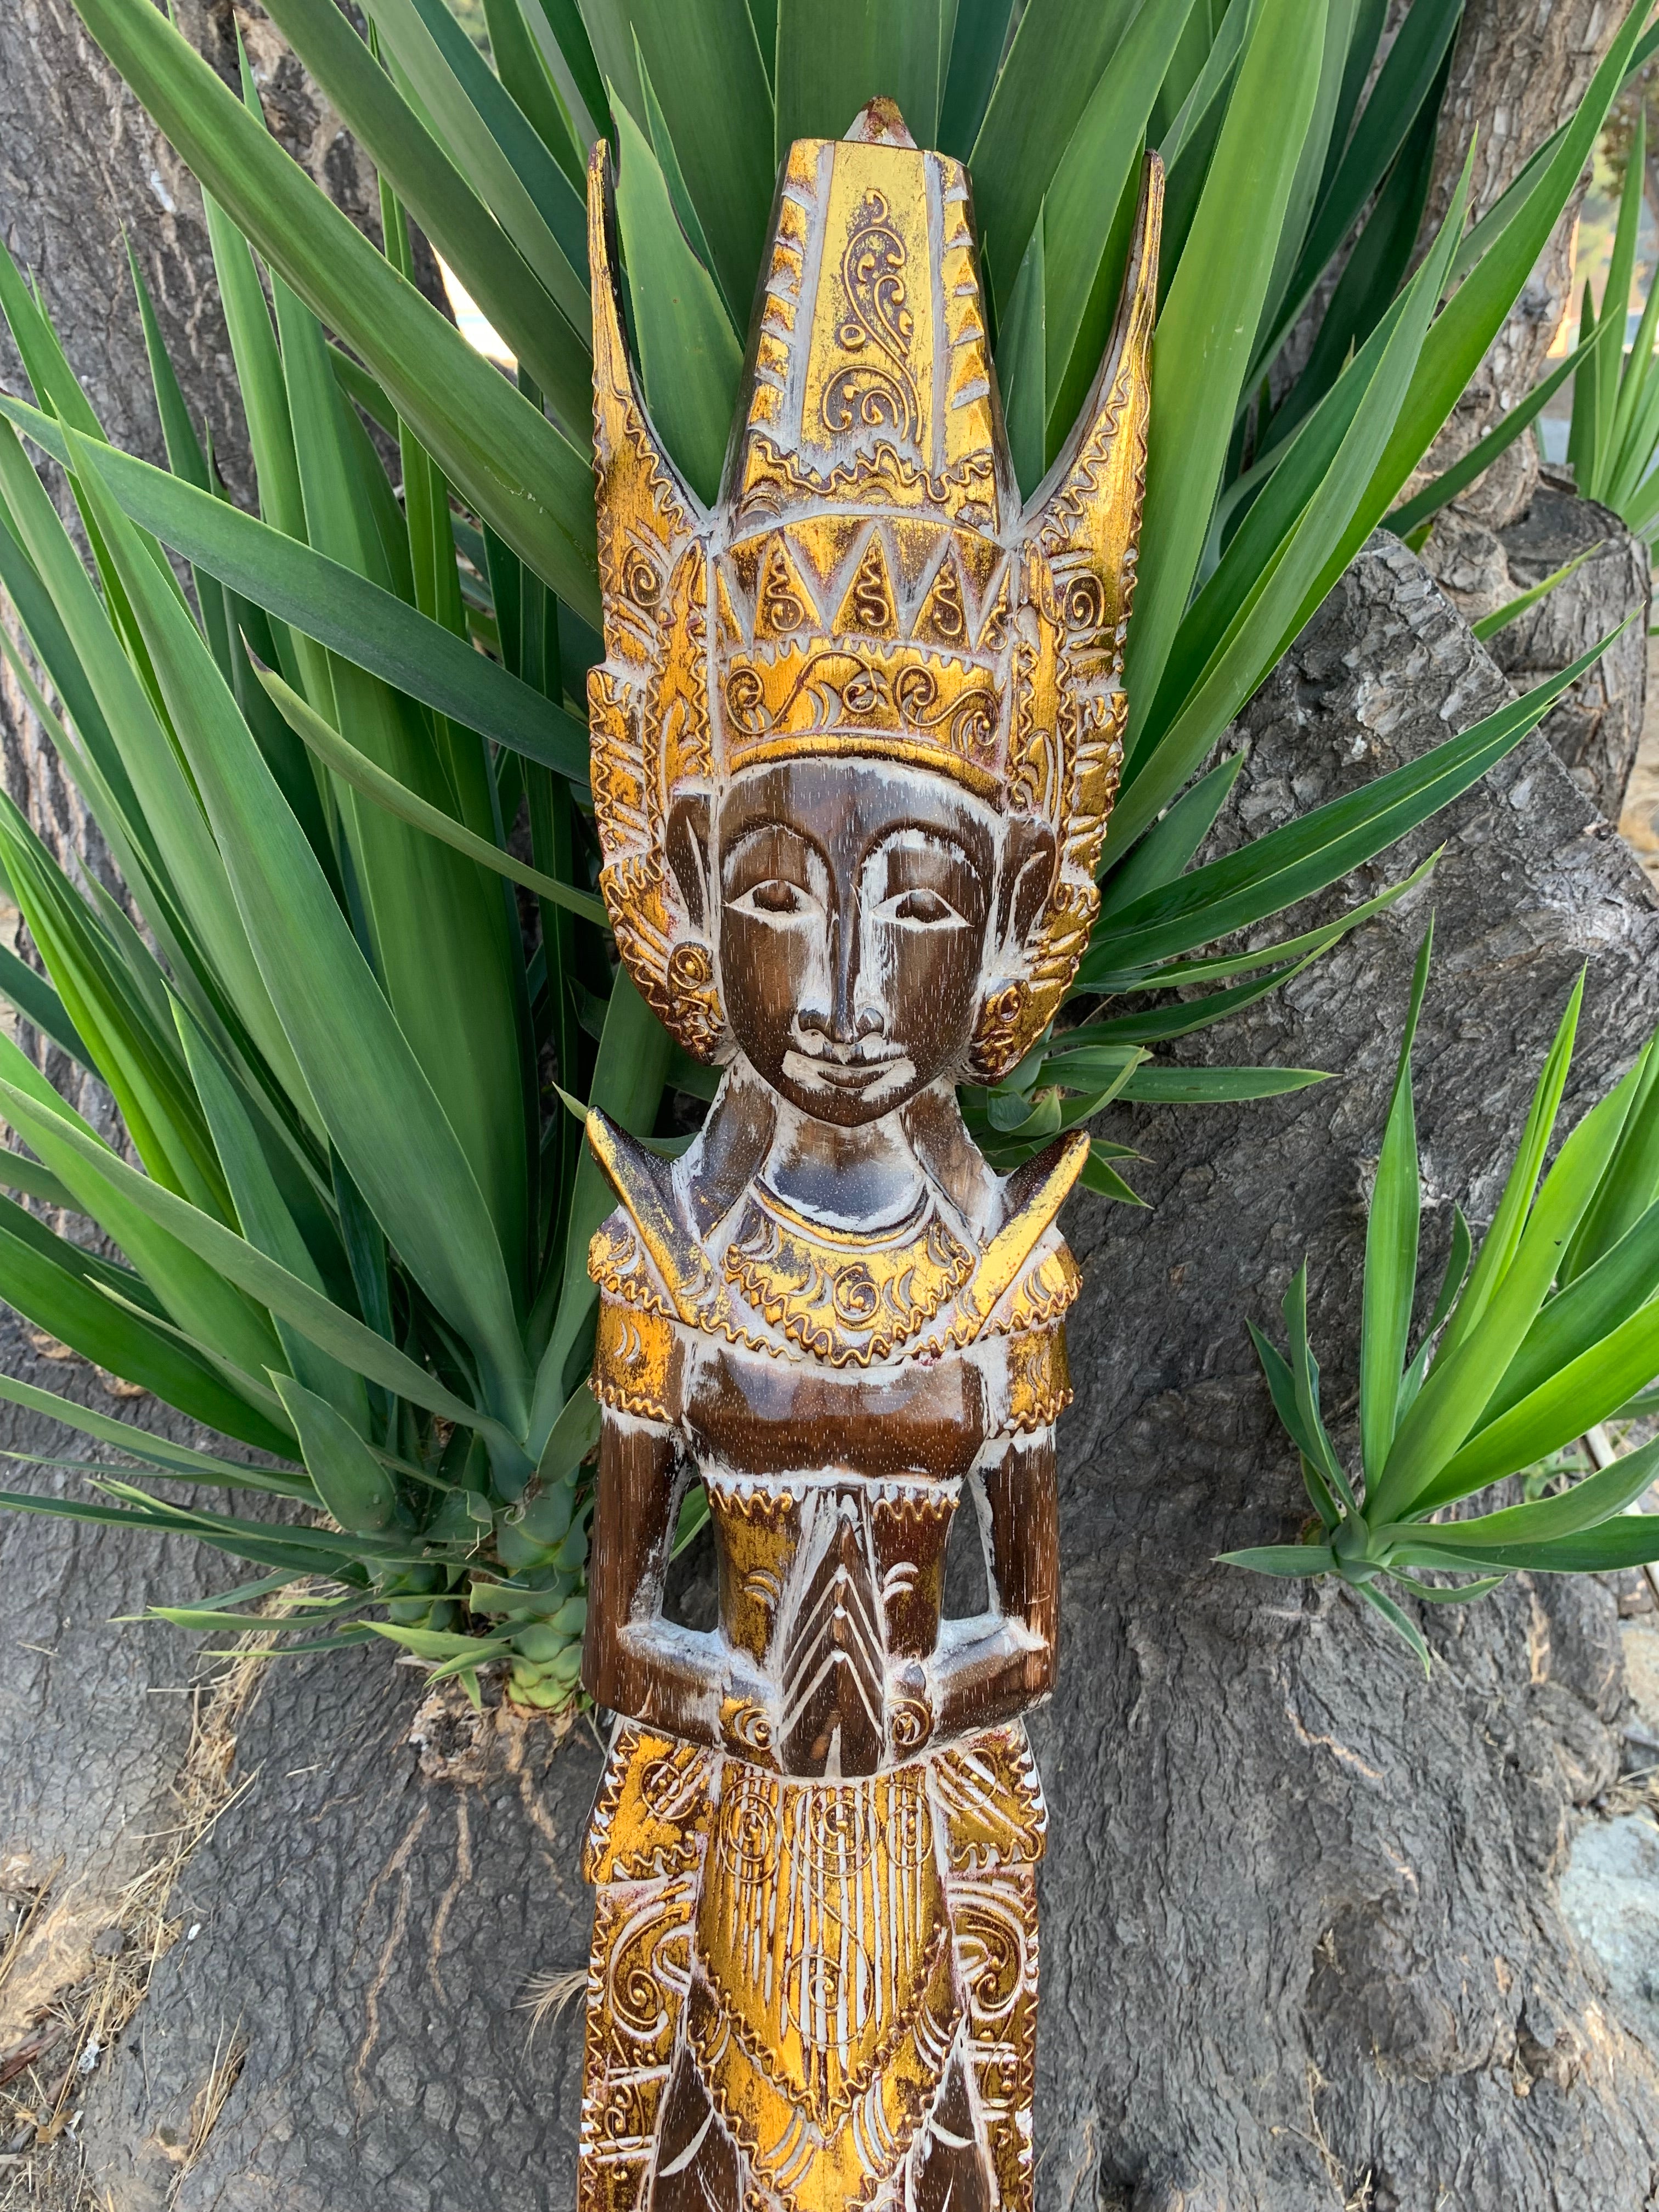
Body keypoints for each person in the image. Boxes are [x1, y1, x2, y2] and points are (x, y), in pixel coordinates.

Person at [575, 103, 1161, 2212]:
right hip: (736, 1827)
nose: (835, 980)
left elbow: (1039, 1639)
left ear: (1013, 919)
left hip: (916, 1834)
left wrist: (904, 1691)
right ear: (679, 893)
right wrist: (763, 1692)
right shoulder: (673, 1261)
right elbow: (616, 1636)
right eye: (777, 885)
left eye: (912, 899)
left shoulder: (1006, 1274)